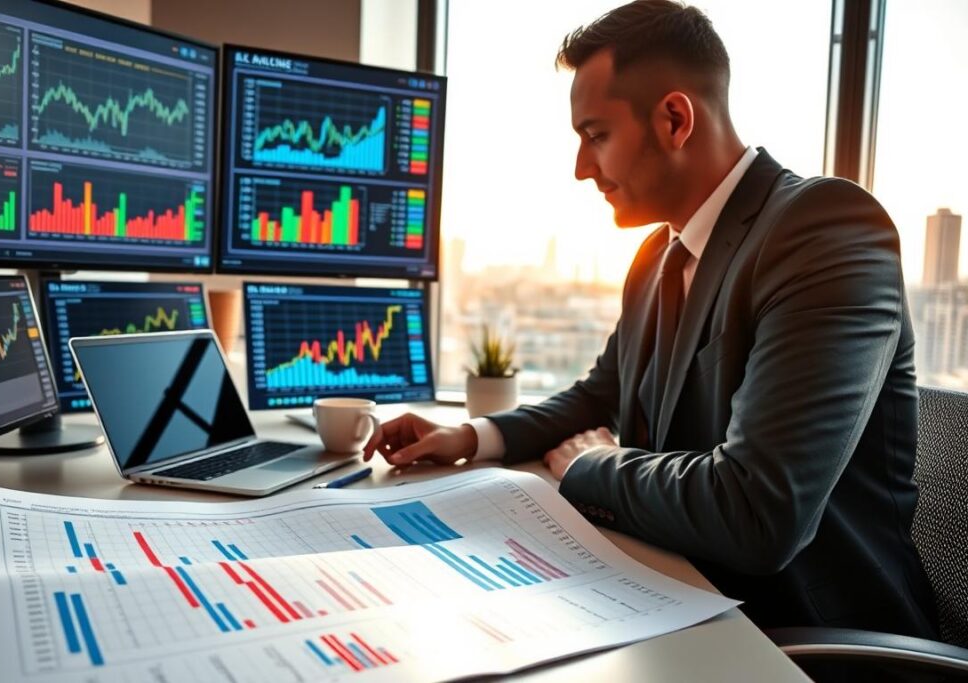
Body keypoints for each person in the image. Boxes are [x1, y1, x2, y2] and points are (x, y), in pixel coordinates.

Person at [364, 0, 938, 636]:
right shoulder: (657, 255)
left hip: (808, 636)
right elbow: (601, 395)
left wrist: (590, 467)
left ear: (674, 119)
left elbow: (757, 512)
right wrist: (472, 437)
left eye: (596, 136)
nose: (581, 168)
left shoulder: (823, 230)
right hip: (674, 588)